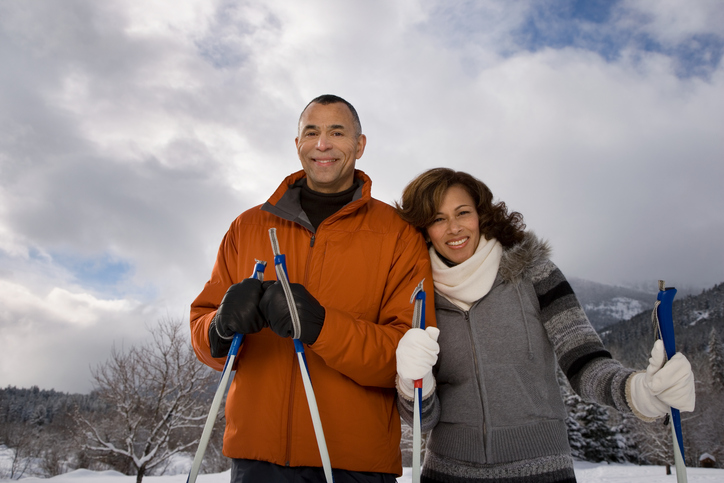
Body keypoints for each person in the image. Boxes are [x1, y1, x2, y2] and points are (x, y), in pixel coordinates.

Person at [190, 95, 435, 483]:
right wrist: (219, 328)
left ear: (359, 145)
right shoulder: (247, 227)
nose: (323, 144)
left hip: (355, 464)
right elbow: (202, 335)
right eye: (312, 132)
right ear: (298, 144)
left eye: (337, 132)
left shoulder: (398, 235)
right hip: (257, 460)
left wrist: (323, 327)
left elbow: (408, 357)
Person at [393, 168, 696, 483]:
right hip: (447, 474)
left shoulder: (533, 273)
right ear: (424, 229)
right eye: (438, 218)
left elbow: (585, 363)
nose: (454, 228)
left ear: (481, 215)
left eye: (463, 213)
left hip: (542, 471)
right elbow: (423, 421)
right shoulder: (417, 295)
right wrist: (415, 380)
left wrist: (640, 391)